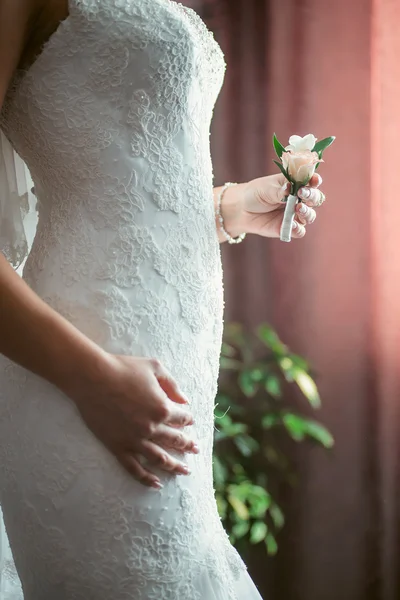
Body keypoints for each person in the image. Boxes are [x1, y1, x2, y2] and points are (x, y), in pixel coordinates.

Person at [0, 0, 325, 598]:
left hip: (170, 380)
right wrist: (92, 379)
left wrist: (230, 204)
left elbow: (124, 175)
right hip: (84, 378)